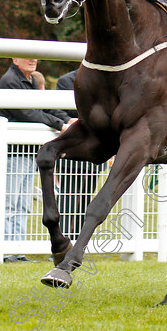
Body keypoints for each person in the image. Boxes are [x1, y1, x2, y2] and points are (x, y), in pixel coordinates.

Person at [0, 58, 76, 262]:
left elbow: (46, 107)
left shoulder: (29, 80)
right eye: (27, 56)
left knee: (23, 202)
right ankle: (7, 250)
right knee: (11, 201)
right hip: (14, 151)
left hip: (26, 151)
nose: (33, 60)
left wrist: (67, 120)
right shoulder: (11, 81)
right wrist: (60, 124)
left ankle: (18, 250)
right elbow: (28, 113)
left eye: (35, 56)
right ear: (15, 59)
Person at [54, 70, 106, 237]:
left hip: (96, 151)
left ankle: (78, 238)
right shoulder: (65, 81)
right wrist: (70, 121)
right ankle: (62, 239)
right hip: (73, 151)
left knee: (86, 197)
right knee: (68, 196)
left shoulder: (104, 78)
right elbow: (56, 110)